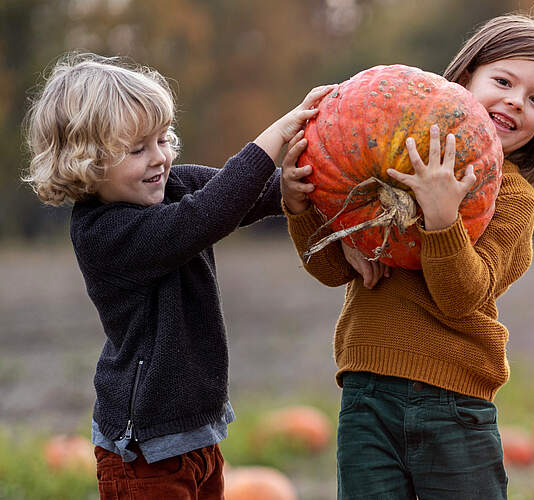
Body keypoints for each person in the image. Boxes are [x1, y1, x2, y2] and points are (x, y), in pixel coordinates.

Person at [281, 14, 534, 499]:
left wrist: (443, 222)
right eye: (503, 81)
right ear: (464, 80)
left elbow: (464, 297)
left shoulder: (512, 199)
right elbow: (332, 270)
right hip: (367, 395)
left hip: (455, 404)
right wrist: (299, 208)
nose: (515, 101)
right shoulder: (390, 155)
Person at [21, 52, 333, 499]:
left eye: (163, 139)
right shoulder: (103, 232)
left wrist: (286, 187)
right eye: (137, 149)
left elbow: (240, 193)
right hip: (144, 454)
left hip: (196, 435)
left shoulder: (172, 186)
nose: (159, 159)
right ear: (85, 163)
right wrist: (275, 135)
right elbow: (207, 214)